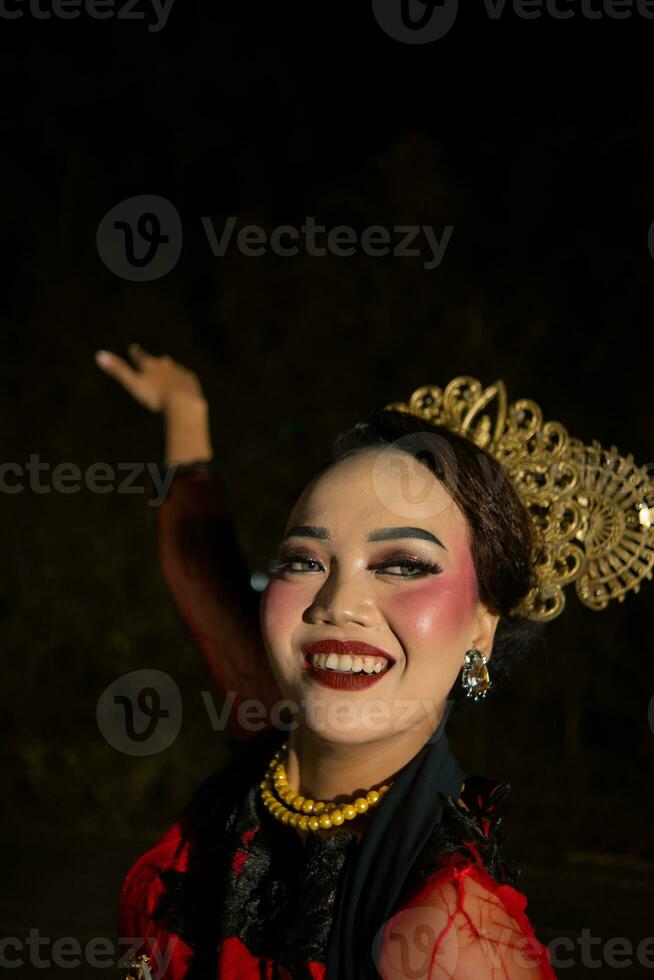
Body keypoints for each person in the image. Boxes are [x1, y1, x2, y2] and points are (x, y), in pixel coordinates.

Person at [96, 347, 653, 979]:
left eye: (404, 566)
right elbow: (200, 563)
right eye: (305, 561)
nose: (339, 603)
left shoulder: (450, 939)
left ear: (482, 625)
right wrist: (185, 407)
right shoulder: (267, 751)